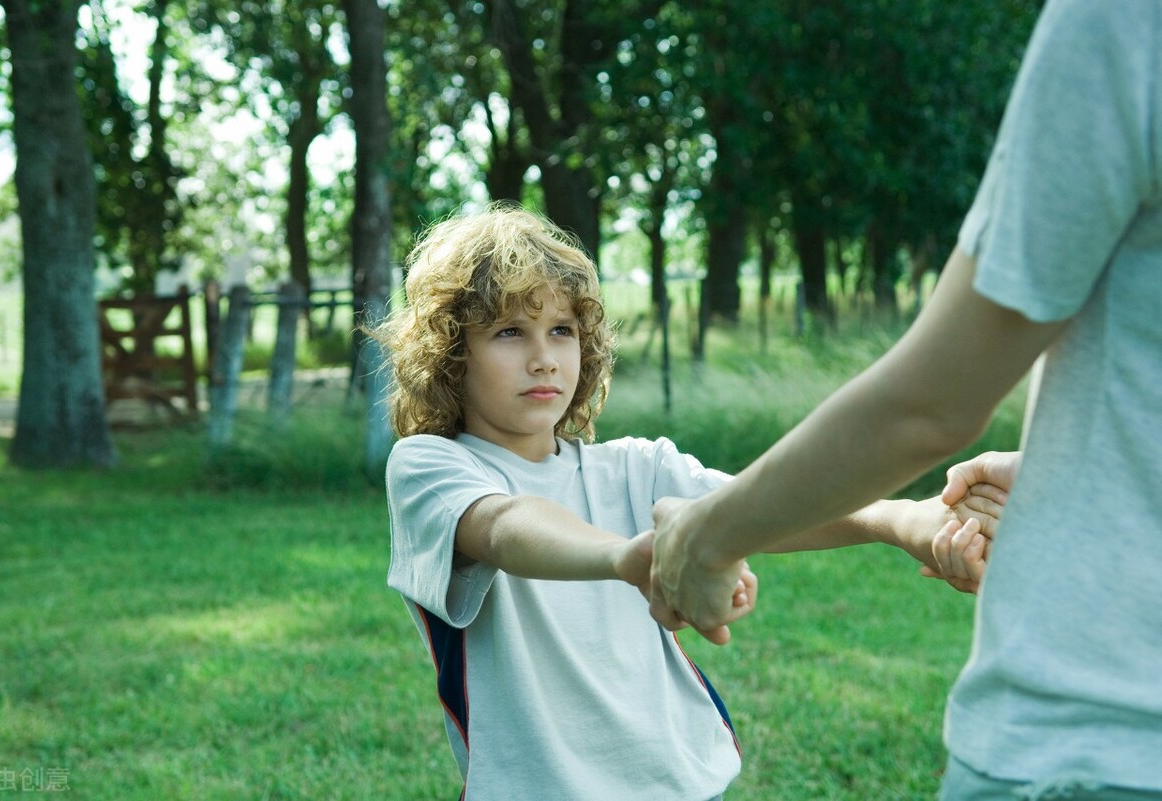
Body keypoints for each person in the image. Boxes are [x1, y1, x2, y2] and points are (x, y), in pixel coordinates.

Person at [647, 1, 1162, 798]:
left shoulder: (1121, 22)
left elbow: (930, 403)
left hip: (1101, 743)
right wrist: (1077, 470)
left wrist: (701, 540)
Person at [375, 204, 999, 801]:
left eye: (561, 330)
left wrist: (903, 519)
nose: (543, 358)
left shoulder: (637, 466)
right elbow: (508, 525)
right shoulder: (431, 466)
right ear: (451, 356)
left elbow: (763, 507)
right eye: (510, 332)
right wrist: (636, 557)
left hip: (686, 783)